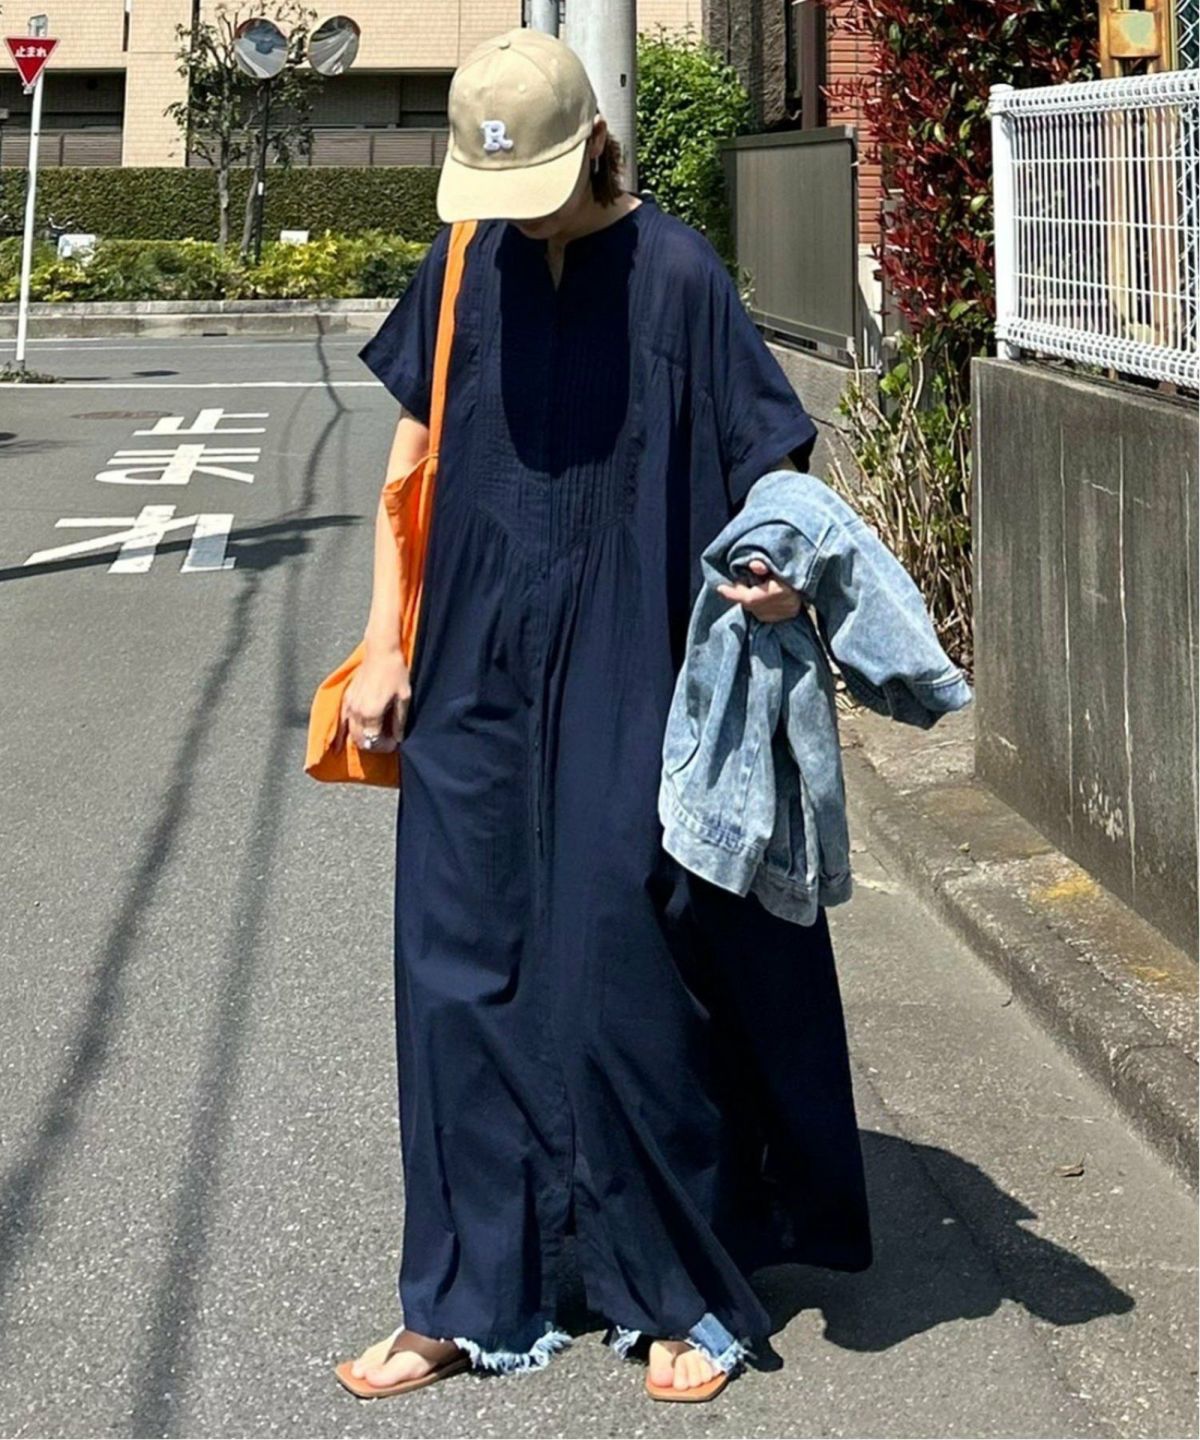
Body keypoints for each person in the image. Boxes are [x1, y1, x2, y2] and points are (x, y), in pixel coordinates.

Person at [334, 27, 872, 1404]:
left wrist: (777, 572)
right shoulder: (463, 263)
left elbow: (771, 458)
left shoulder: (677, 273)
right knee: (453, 970)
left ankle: (679, 1285)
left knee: (627, 957)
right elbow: (412, 448)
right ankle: (461, 1290)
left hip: (638, 651)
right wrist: (384, 638)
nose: (513, 218)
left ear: (593, 150)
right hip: (467, 660)